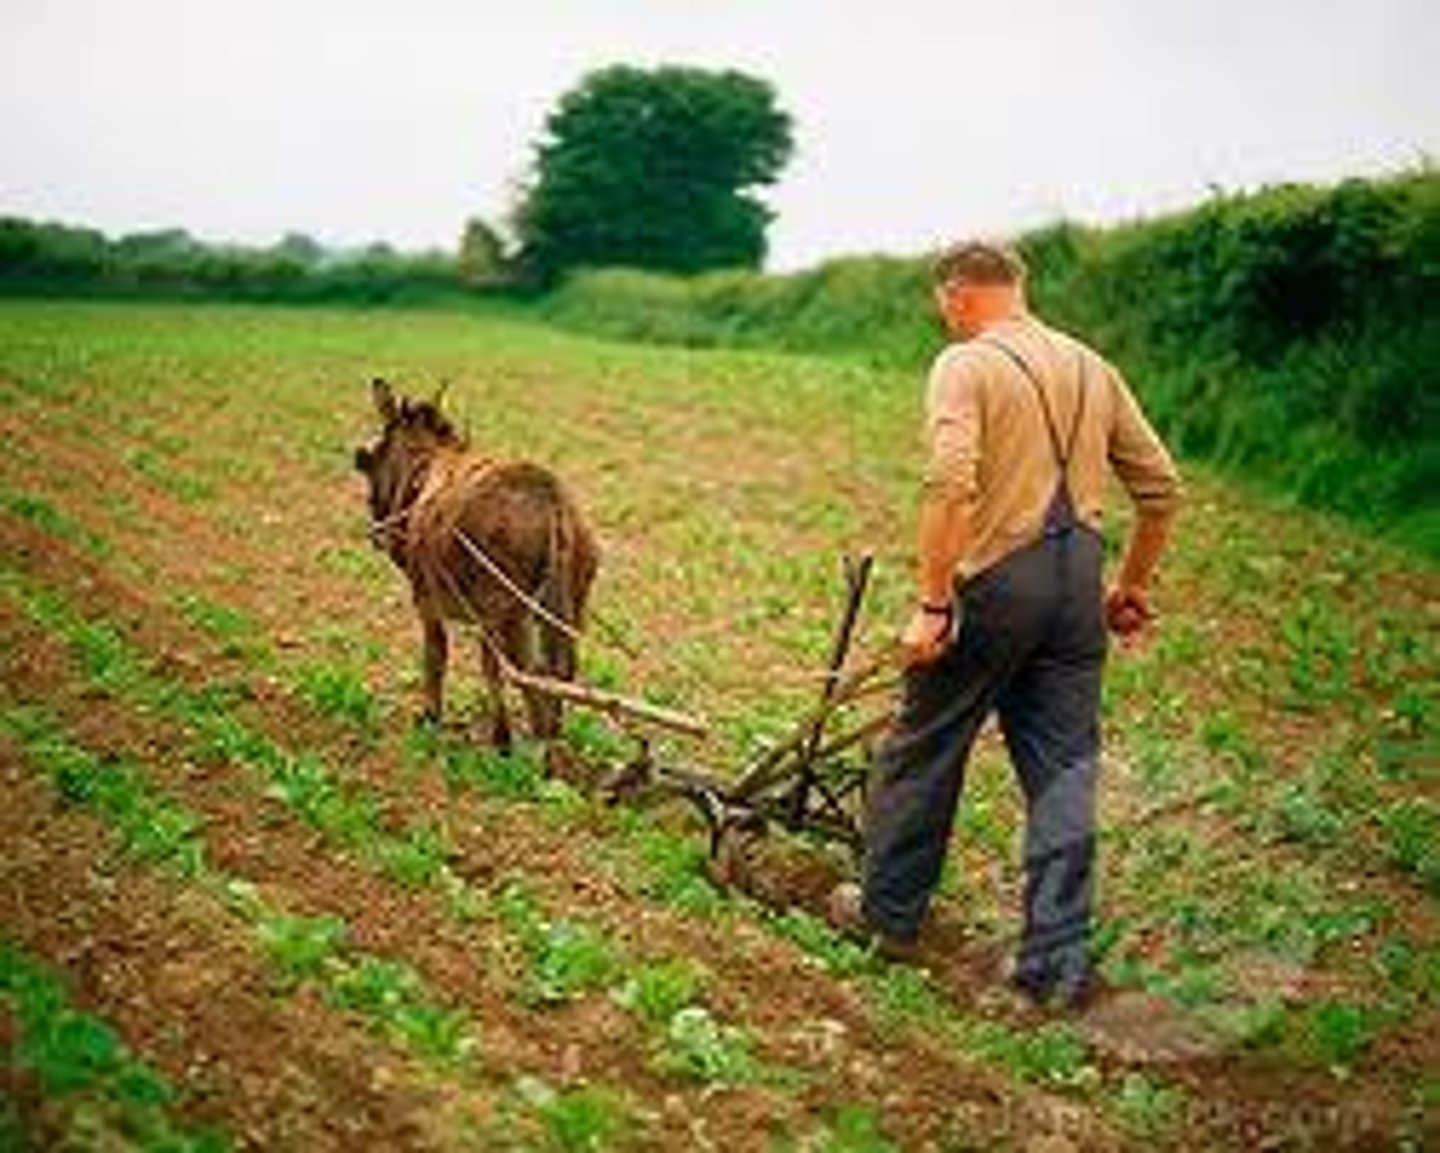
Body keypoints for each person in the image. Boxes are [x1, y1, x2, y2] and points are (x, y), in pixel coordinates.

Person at [828, 239, 1182, 1010]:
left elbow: (951, 482)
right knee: (1062, 776)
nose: (943, 314)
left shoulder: (967, 364)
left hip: (999, 584)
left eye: (942, 302)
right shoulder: (1092, 365)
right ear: (1018, 288)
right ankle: (1057, 964)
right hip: (1076, 591)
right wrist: (1129, 584)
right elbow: (1160, 489)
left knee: (924, 747)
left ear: (957, 294)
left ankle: (885, 918)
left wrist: (932, 603)